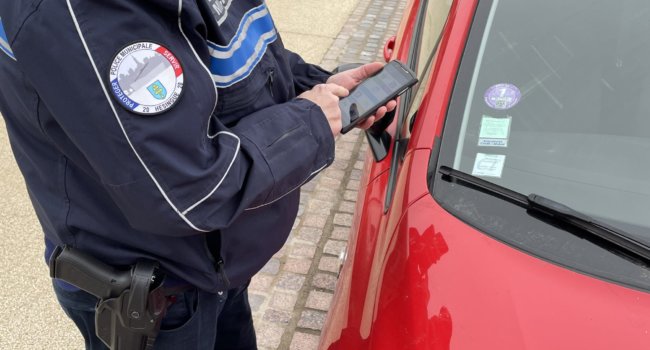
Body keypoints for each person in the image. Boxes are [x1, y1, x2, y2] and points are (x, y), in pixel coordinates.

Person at [0, 0, 396, 349]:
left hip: (213, 267)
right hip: (153, 298)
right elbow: (187, 190)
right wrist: (308, 121)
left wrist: (319, 87)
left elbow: (234, 52)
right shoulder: (86, 12)